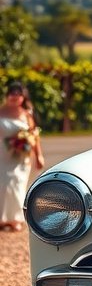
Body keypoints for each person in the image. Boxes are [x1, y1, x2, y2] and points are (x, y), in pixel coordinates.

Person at [0, 80, 45, 232]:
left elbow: (34, 135)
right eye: (12, 94)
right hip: (3, 153)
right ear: (7, 95)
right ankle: (2, 219)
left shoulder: (26, 114)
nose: (14, 97)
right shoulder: (1, 112)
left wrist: (38, 155)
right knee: (3, 185)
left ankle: (15, 219)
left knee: (16, 184)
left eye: (18, 95)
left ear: (22, 98)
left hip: (22, 156)